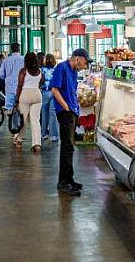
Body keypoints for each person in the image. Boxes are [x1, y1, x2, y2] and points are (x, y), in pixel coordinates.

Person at [50, 48, 90, 197]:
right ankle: (63, 183)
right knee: (67, 148)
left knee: (70, 148)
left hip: (72, 111)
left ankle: (69, 179)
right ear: (78, 58)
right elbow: (54, 90)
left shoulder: (73, 71)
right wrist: (66, 107)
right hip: (65, 113)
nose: (85, 67)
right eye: (85, 63)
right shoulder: (62, 67)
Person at [13, 52, 44, 152]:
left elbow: (19, 86)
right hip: (37, 95)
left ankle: (18, 140)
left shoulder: (24, 71)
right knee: (35, 120)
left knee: (23, 119)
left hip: (25, 95)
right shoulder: (39, 71)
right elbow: (40, 83)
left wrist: (17, 99)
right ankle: (37, 144)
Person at [0, 42, 25, 115]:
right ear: (19, 49)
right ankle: (20, 122)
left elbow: (1, 74)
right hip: (22, 87)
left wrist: (7, 77)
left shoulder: (6, 60)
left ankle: (11, 121)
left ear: (11, 50)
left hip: (9, 87)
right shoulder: (24, 59)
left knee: (10, 108)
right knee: (21, 107)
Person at [40, 53, 60, 142]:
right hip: (54, 92)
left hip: (44, 92)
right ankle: (54, 135)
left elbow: (40, 81)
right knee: (53, 114)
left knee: (44, 114)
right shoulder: (56, 70)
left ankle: (44, 134)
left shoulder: (41, 70)